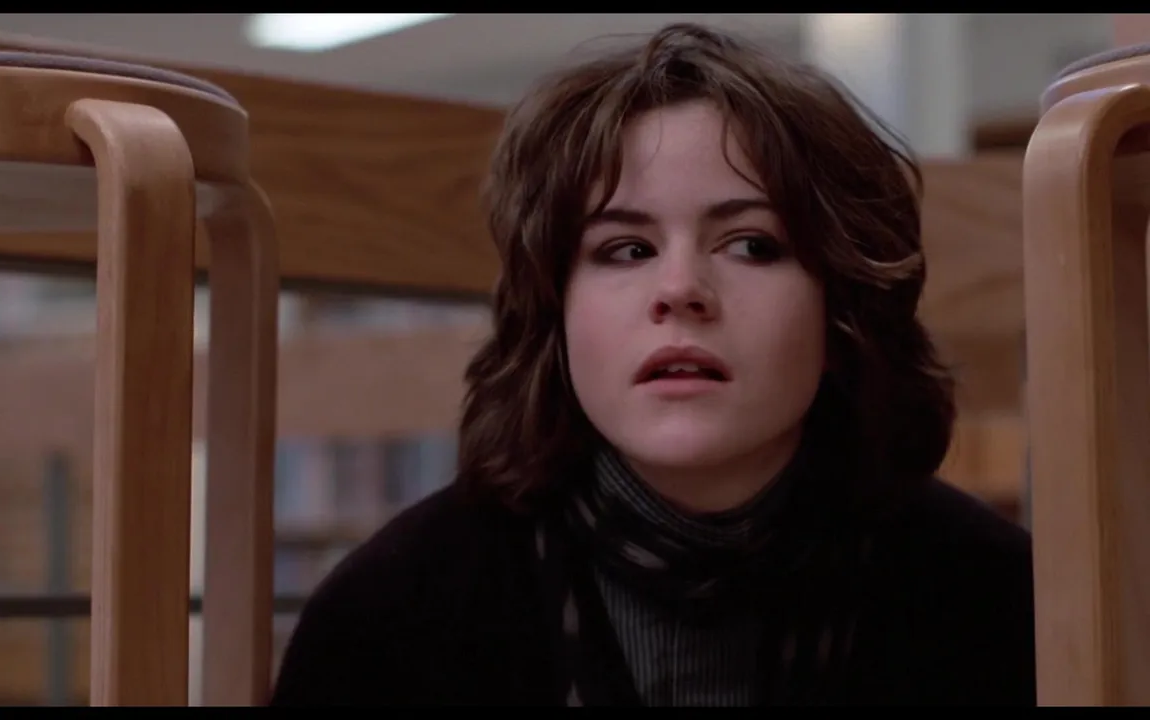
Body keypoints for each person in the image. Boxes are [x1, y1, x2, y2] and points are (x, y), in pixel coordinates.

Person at [270, 22, 1036, 706]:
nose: (679, 290)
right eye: (626, 249)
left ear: (842, 308)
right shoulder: (391, 616)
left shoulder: (994, 599)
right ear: (555, 313)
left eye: (752, 245)